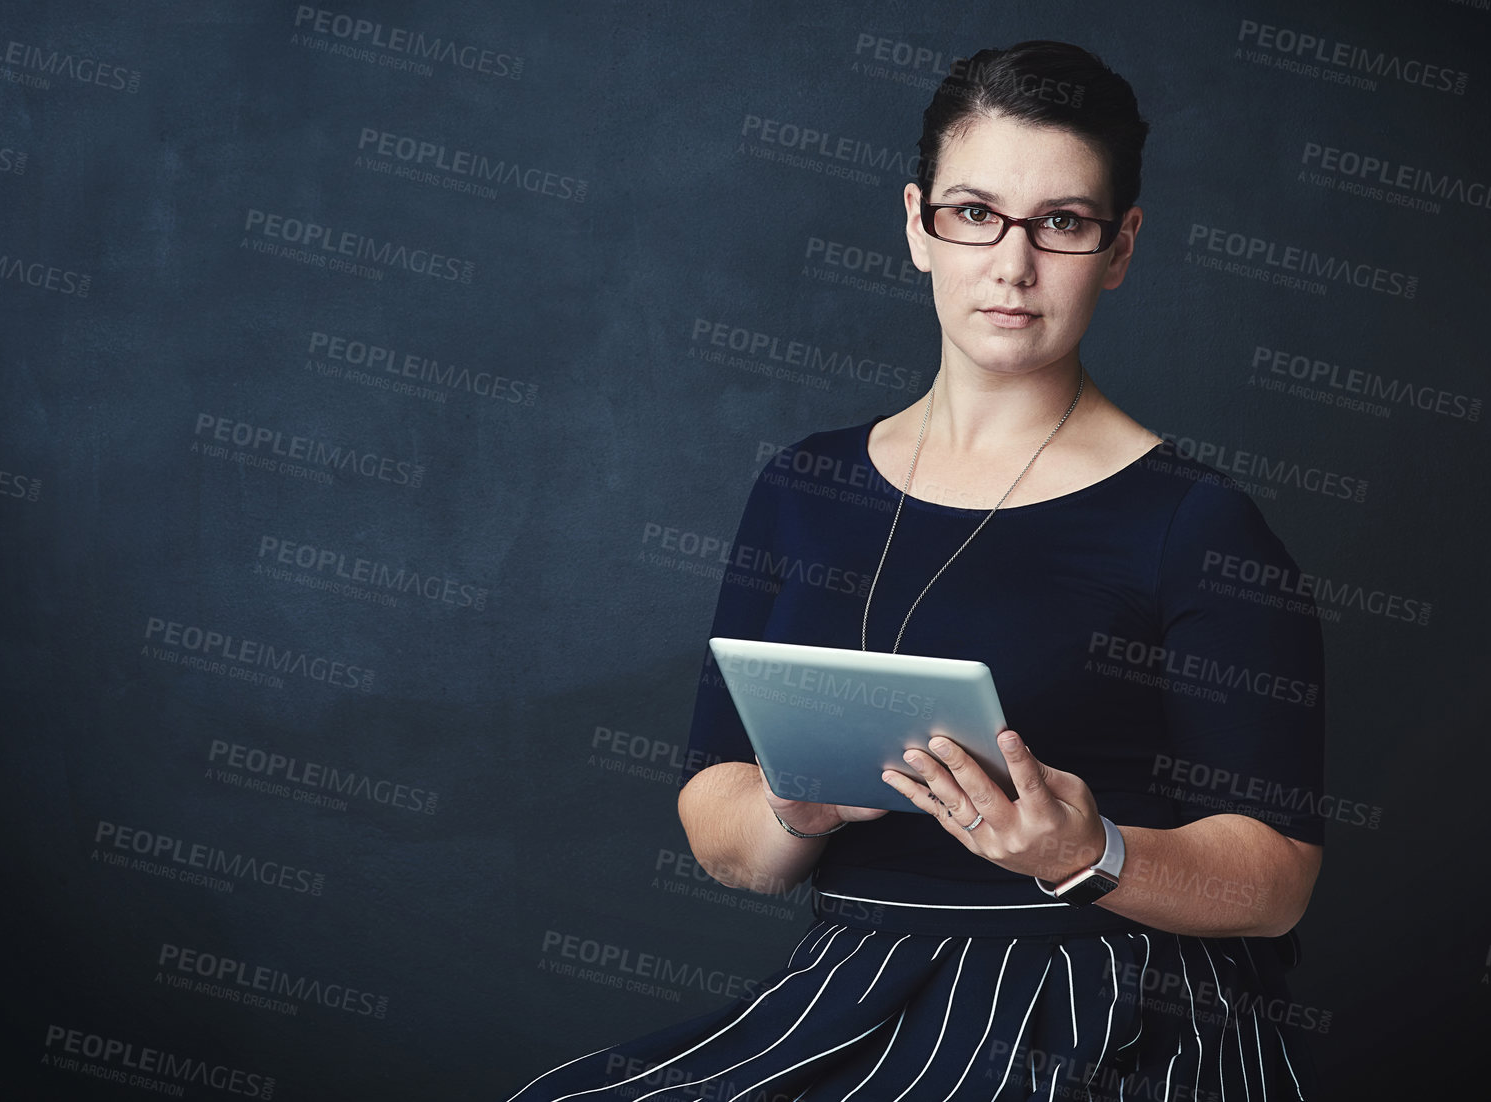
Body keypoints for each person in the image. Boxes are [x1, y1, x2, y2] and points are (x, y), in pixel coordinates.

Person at [509, 40, 1327, 1102]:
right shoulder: (806, 484)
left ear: (1119, 247)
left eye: (1062, 224)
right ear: (916, 224)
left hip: (1111, 1004)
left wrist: (1091, 852)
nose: (1011, 263)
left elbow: (1276, 882)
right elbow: (723, 820)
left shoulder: (1199, 522)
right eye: (974, 213)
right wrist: (796, 813)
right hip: (856, 985)